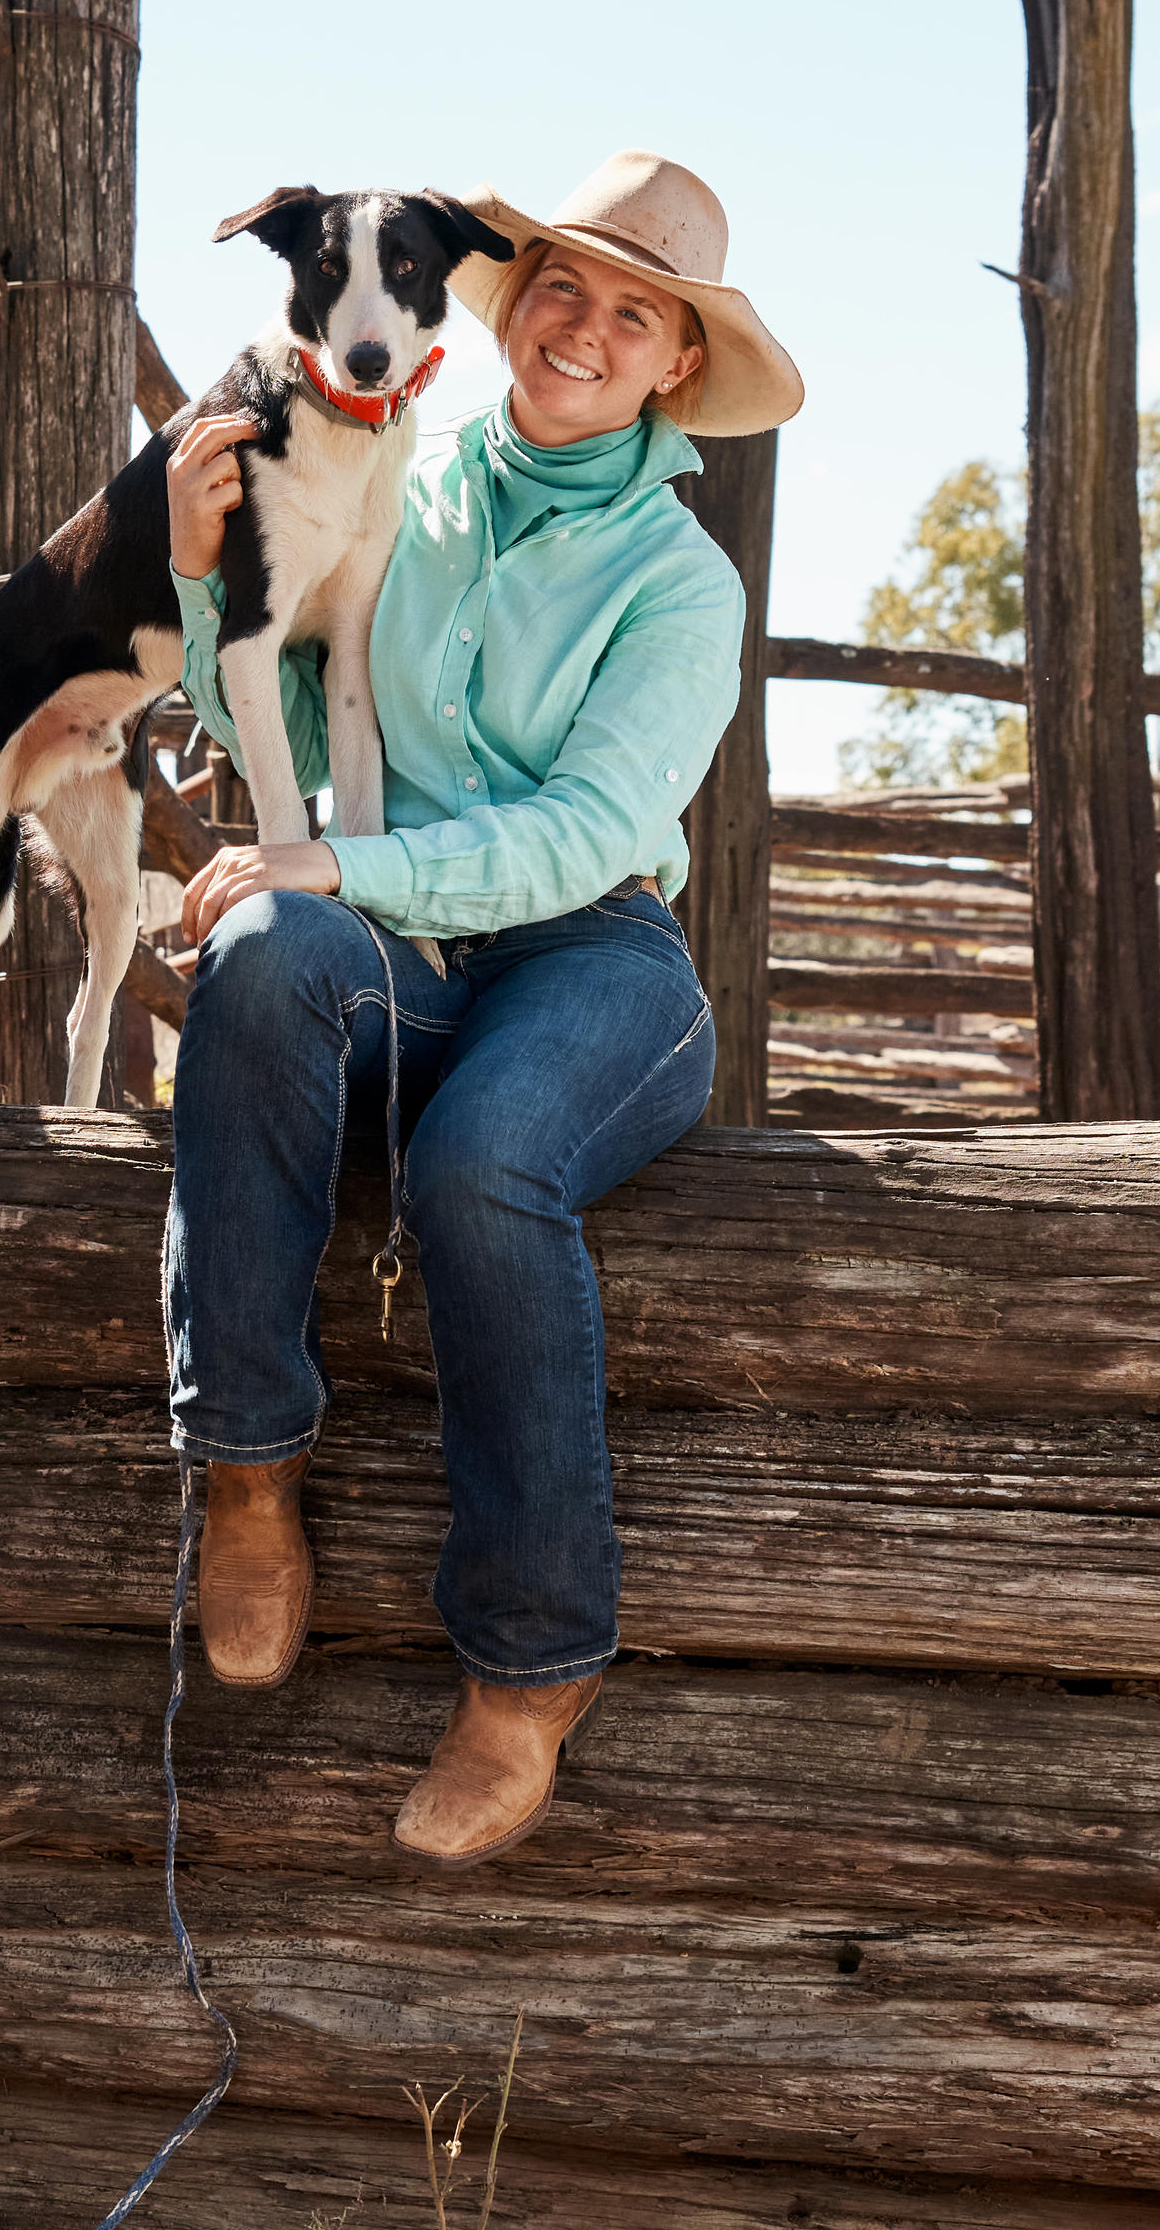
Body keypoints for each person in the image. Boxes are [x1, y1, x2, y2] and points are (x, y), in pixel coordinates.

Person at [158, 149, 802, 1863]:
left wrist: (341, 875)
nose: (584, 326)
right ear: (509, 307)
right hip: (407, 939)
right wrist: (195, 566)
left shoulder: (684, 585)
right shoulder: (395, 483)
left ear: (677, 363)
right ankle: (244, 1469)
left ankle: (529, 1670)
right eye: (563, 290)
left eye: (635, 311)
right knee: (252, 963)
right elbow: (276, 709)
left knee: (484, 1158)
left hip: (598, 956)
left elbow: (589, 831)